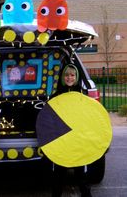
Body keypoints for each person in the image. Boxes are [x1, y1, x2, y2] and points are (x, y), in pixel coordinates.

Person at [50, 64, 92, 197]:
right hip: (61, 141)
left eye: (72, 75)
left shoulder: (82, 95)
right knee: (58, 175)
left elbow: (89, 117)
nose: (69, 78)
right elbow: (50, 117)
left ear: (76, 77)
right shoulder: (56, 96)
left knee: (82, 176)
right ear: (63, 77)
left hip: (78, 141)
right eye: (67, 75)